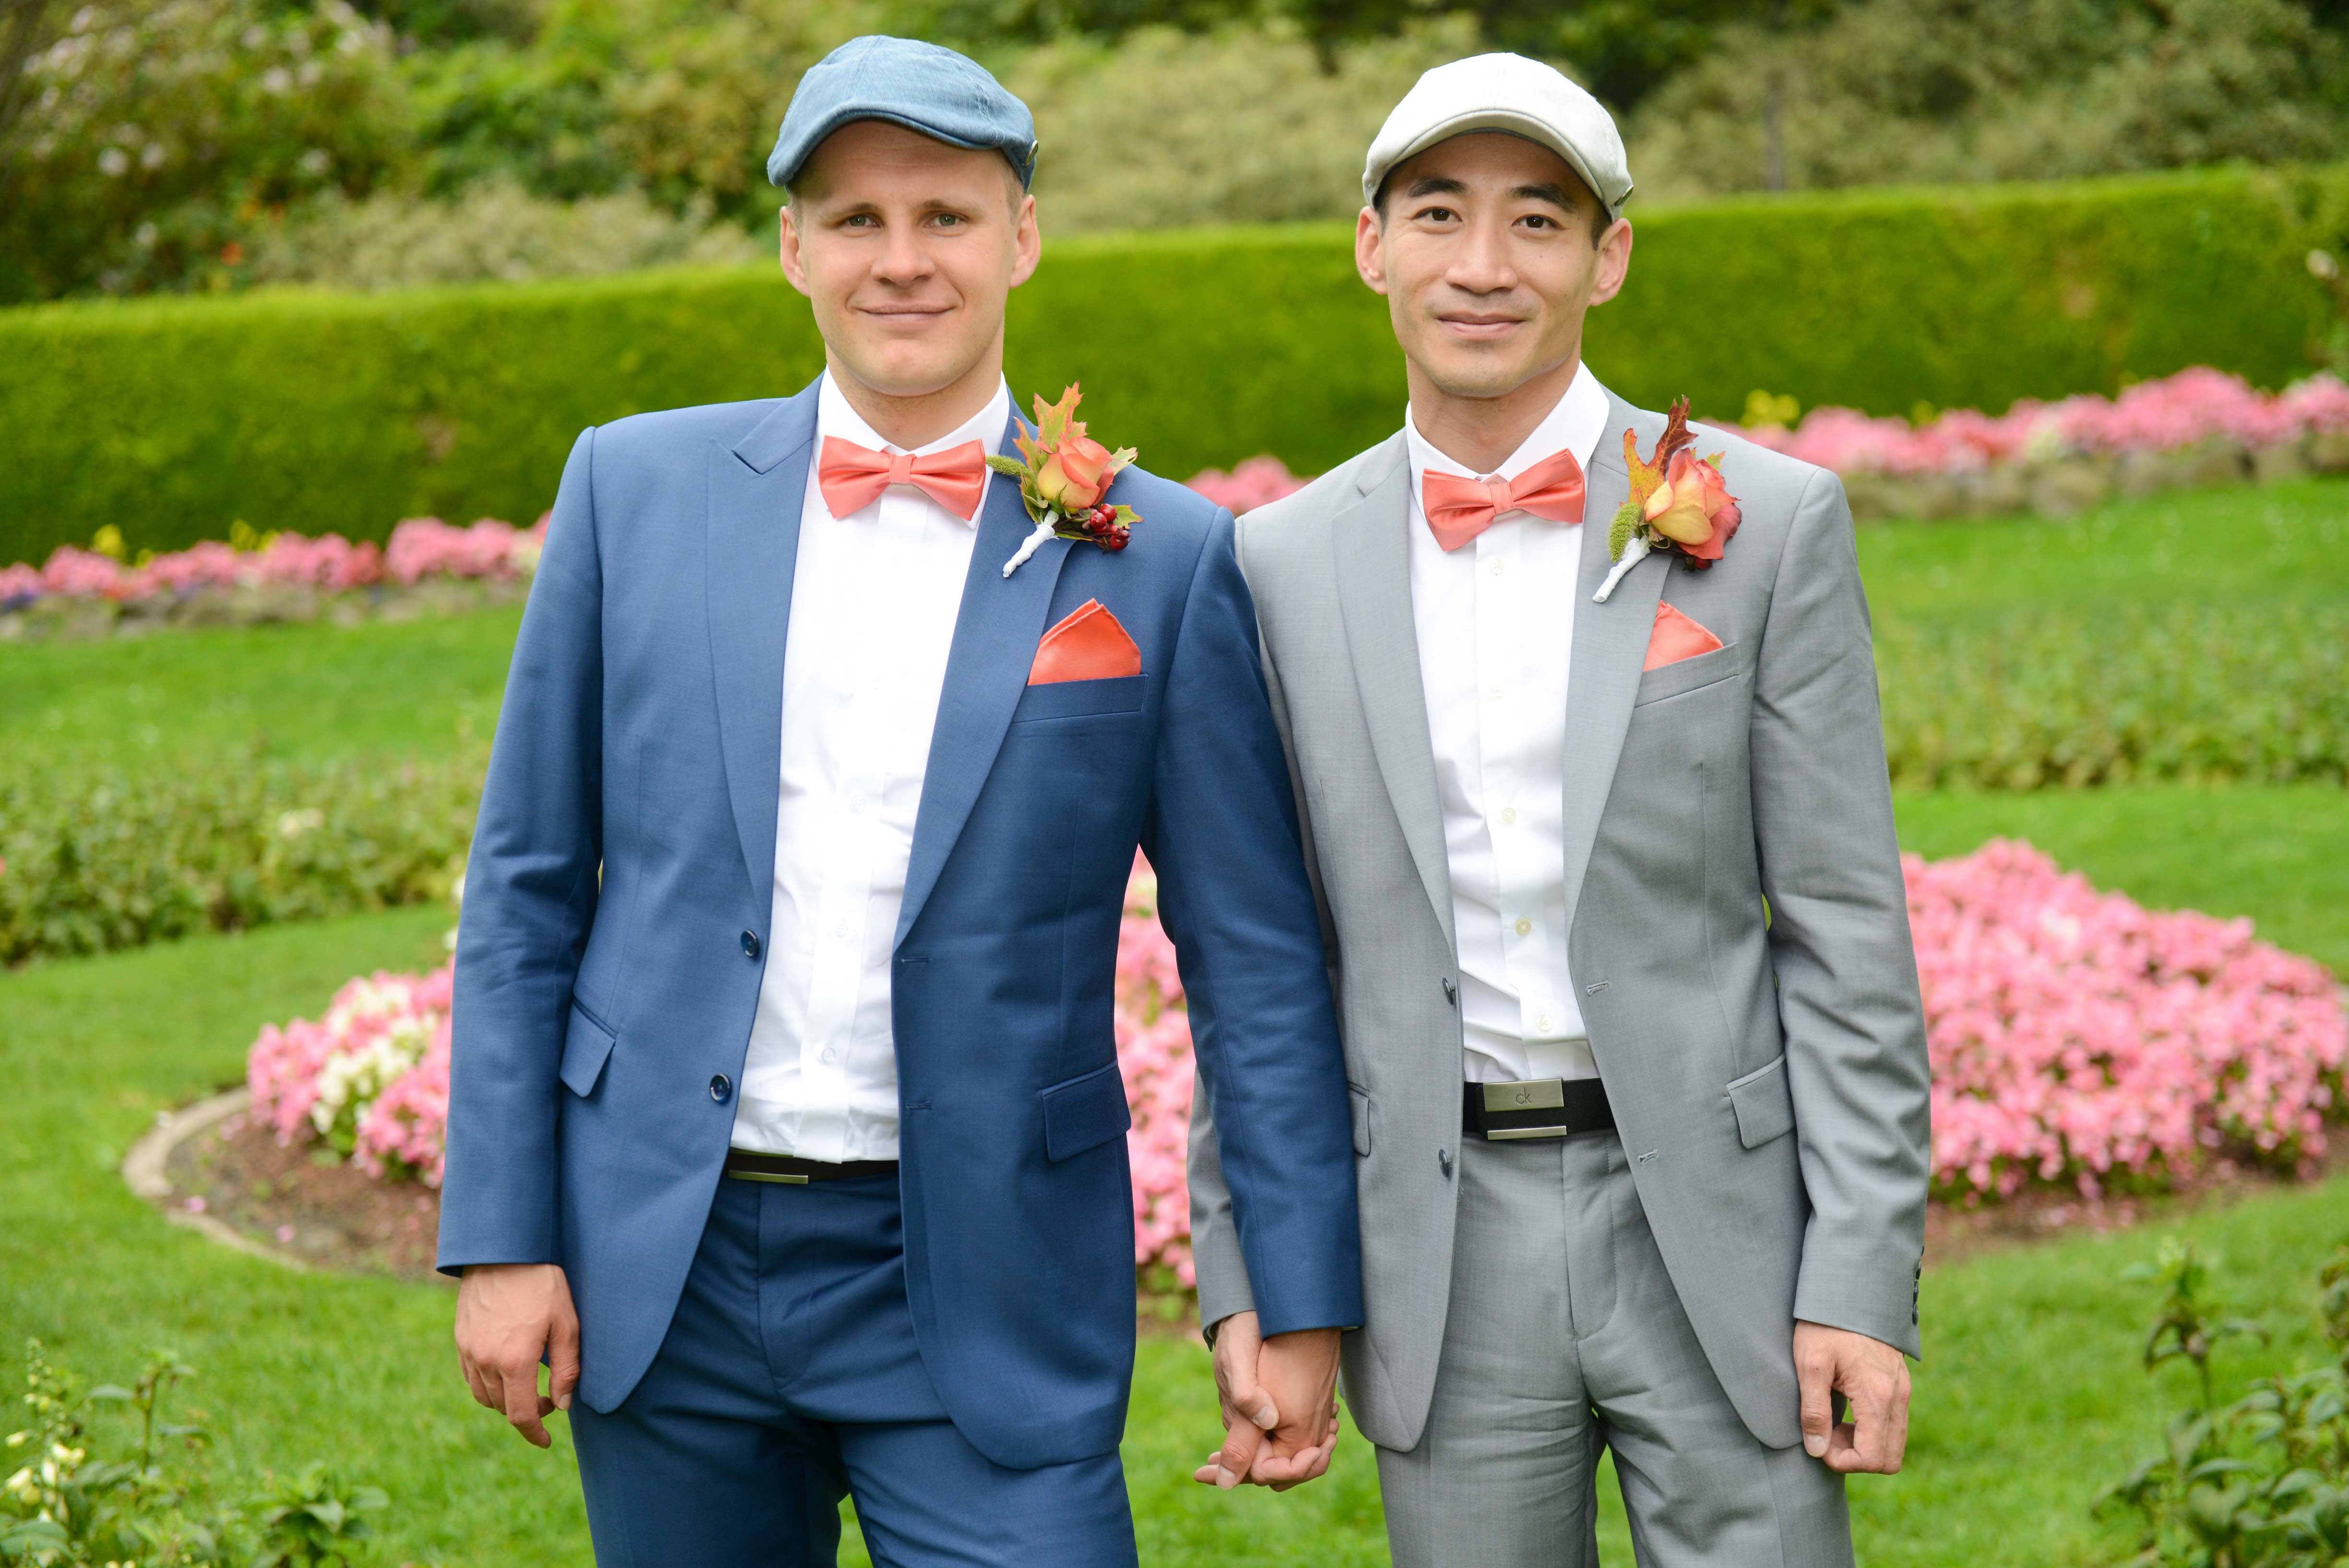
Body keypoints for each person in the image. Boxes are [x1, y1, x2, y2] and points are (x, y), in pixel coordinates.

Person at [436, 36, 1361, 1568]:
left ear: (1023, 238)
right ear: (794, 247)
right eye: (858, 220)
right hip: (666, 1260)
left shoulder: (1166, 555)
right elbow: (525, 890)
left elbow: (1251, 959)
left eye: (946, 214)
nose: (903, 259)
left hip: (988, 1269)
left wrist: (1282, 1284)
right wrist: (504, 1234)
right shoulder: (630, 490)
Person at [1187, 52, 1932, 1566]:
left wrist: (1857, 1272)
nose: (1482, 265)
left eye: (1537, 221)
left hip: (1724, 1226)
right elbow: (1254, 958)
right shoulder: (1269, 564)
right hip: (1440, 1245)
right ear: (1370, 243)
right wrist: (1252, 1272)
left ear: (1609, 259)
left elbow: (1848, 930)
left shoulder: (1769, 523)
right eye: (1440, 213)